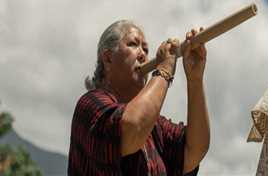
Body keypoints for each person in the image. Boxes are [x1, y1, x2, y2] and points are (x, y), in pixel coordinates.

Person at [68, 20, 210, 176]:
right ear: (108, 59)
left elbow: (195, 150)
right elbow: (132, 126)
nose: (143, 55)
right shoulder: (89, 105)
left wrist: (195, 79)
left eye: (146, 49)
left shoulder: (154, 127)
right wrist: (163, 71)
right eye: (133, 44)